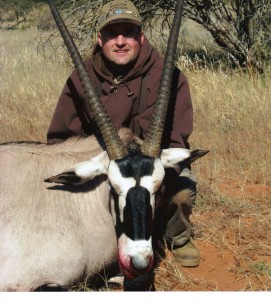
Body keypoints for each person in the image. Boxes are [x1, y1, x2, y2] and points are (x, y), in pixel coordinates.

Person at [47, 0, 200, 267]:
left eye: (128, 33)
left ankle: (177, 237)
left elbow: (177, 139)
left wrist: (155, 179)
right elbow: (60, 141)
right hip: (104, 168)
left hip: (153, 167)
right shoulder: (81, 77)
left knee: (182, 191)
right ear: (99, 38)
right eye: (111, 34)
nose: (120, 41)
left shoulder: (170, 76)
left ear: (141, 37)